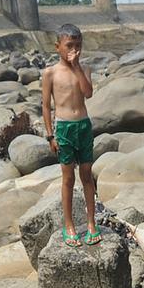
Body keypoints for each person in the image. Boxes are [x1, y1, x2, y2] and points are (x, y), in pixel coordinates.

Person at [41, 23, 99, 247]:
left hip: (83, 126)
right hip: (64, 128)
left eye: (77, 46)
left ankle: (91, 223)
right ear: (58, 47)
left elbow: (88, 93)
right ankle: (69, 225)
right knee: (68, 178)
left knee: (86, 175)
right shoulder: (50, 73)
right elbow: (46, 106)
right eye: (69, 46)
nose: (73, 50)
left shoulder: (84, 70)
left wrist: (76, 68)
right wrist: (50, 135)